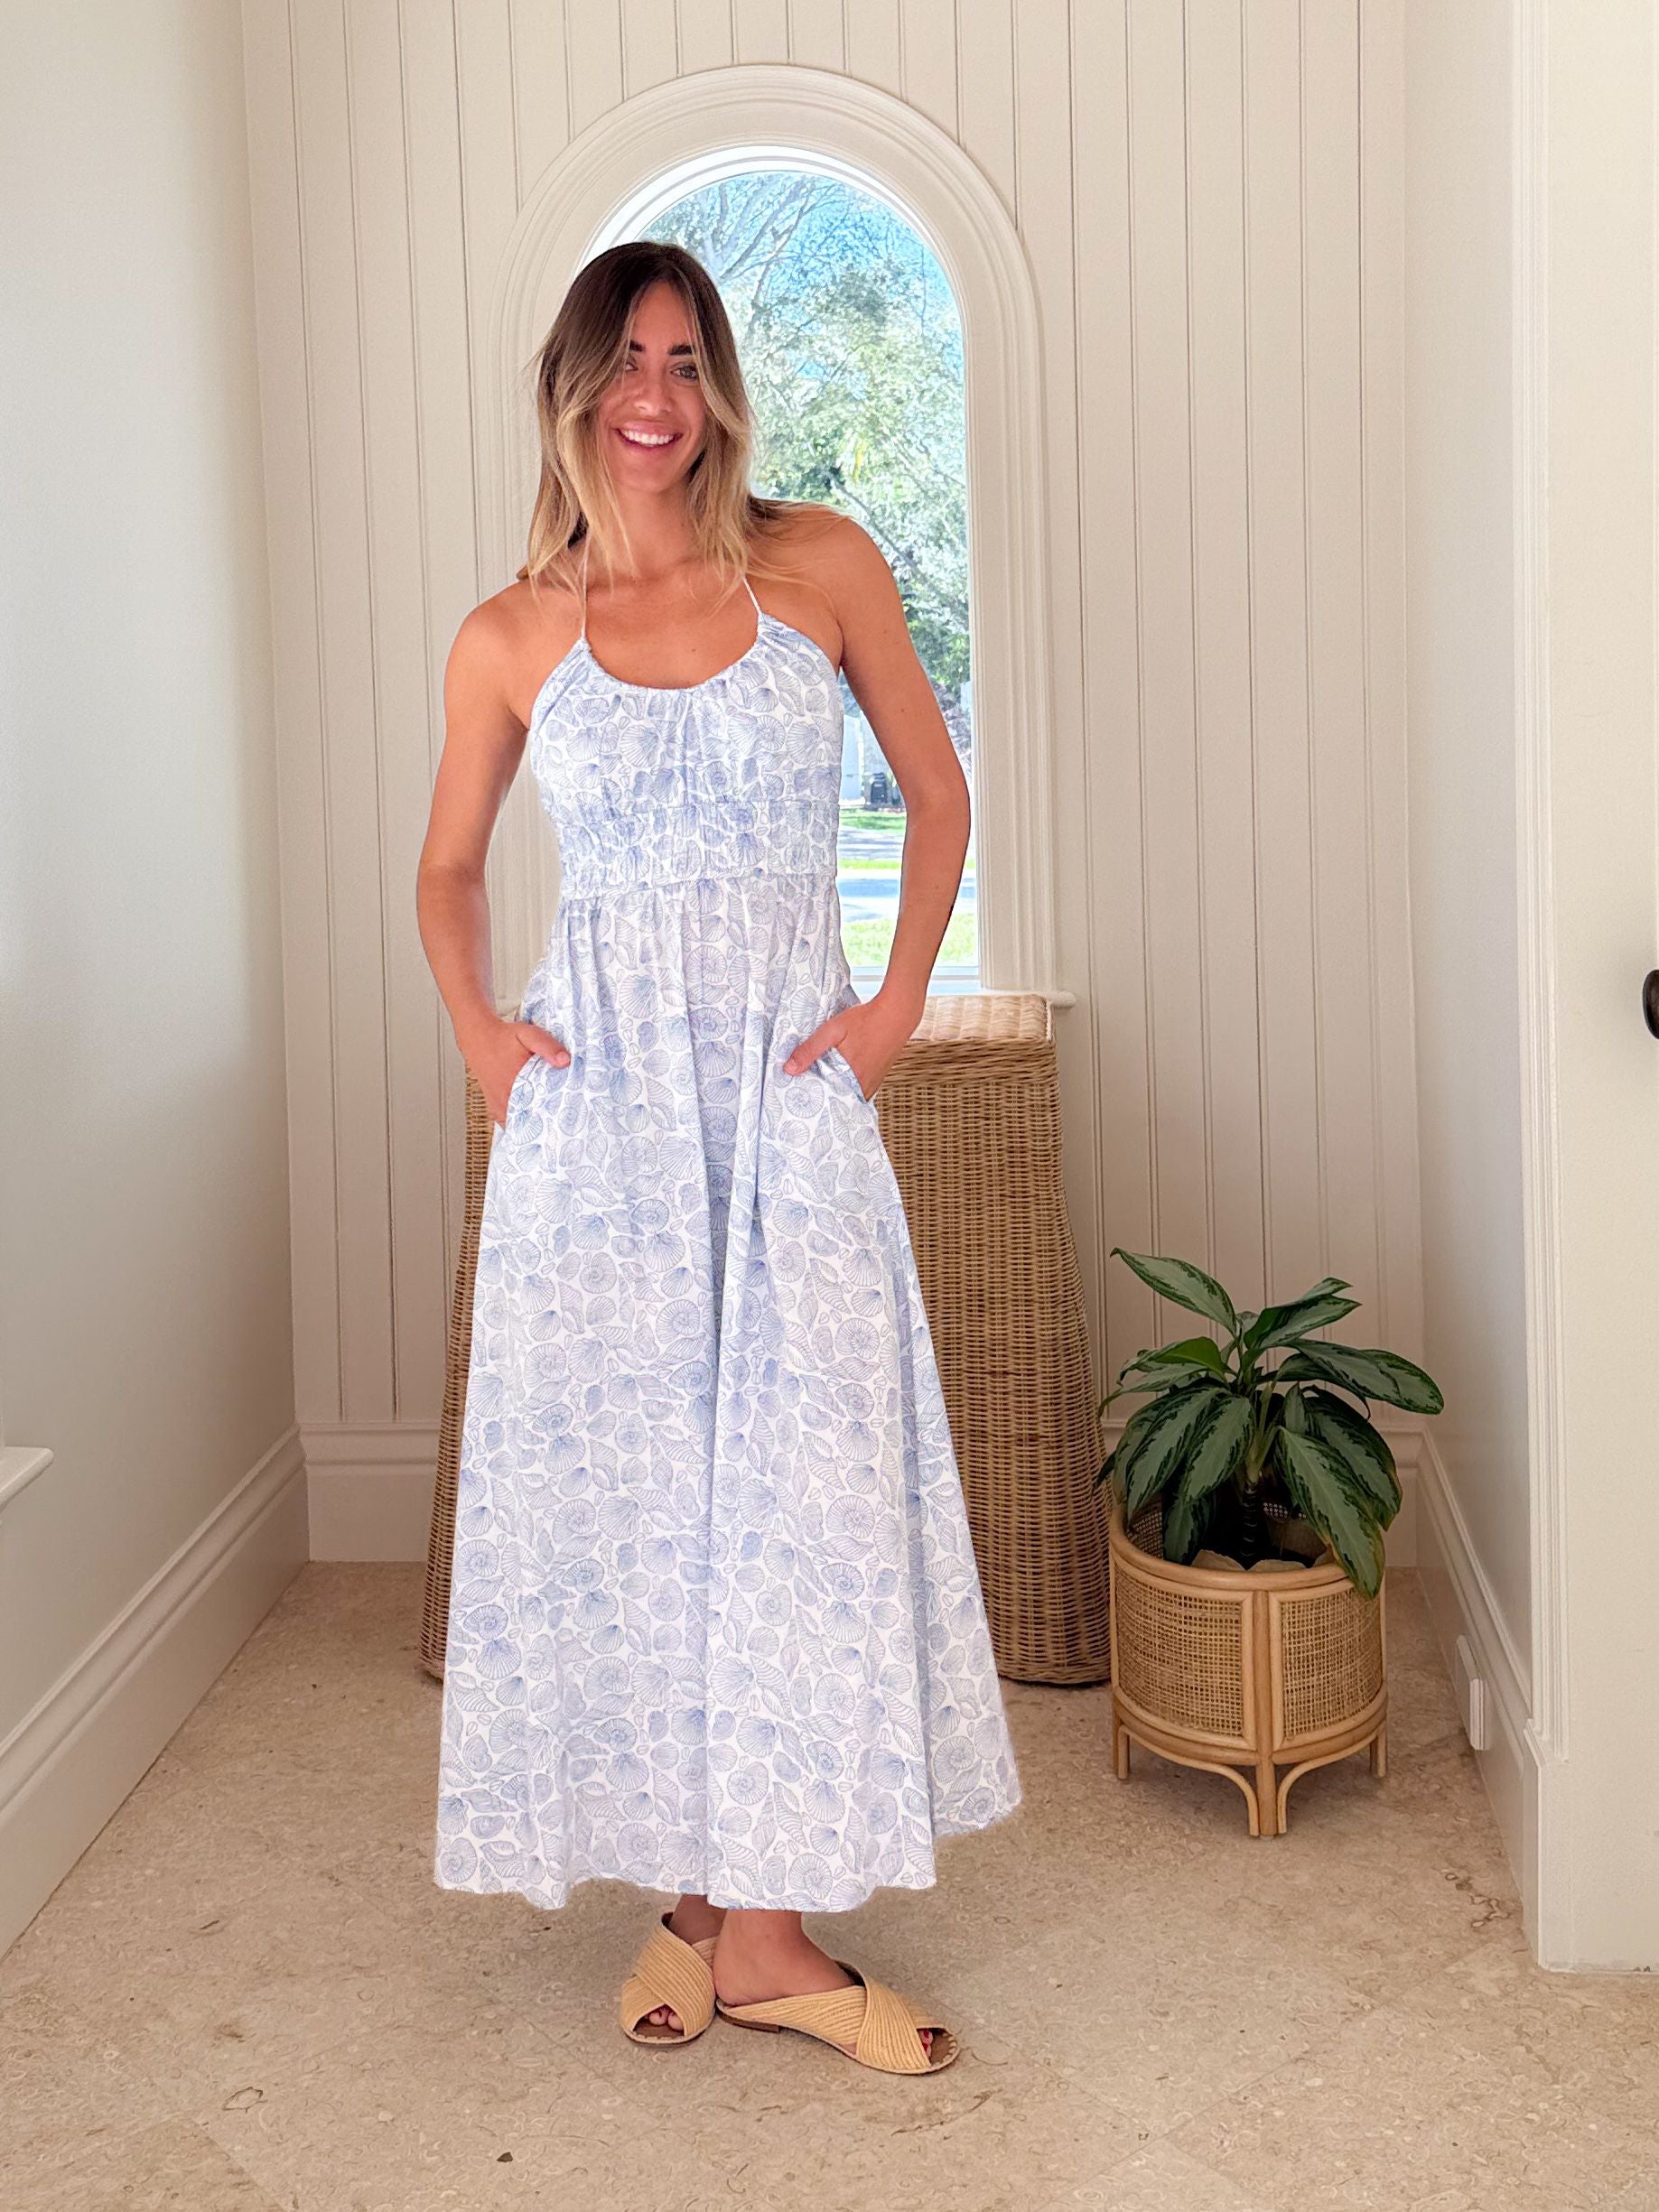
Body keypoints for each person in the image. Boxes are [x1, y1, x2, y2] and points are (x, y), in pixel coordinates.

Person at [416, 240, 1021, 2077]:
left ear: (718, 384)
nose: (654, 393)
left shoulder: (815, 565)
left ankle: (755, 1924)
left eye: (684, 358)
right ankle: (715, 1912)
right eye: (625, 359)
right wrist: (486, 1040)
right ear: (573, 386)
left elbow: (938, 792)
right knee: (645, 1506)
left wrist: (893, 1003)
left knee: (797, 1489)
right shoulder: (512, 634)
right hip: (599, 1130)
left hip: (782, 1098)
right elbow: (447, 870)